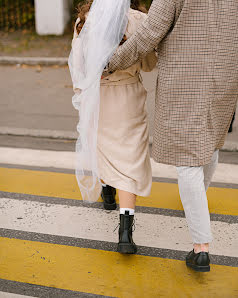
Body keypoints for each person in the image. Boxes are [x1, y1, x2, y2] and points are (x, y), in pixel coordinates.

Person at [108, 0, 238, 271]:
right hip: (224, 77)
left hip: (185, 81)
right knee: (210, 144)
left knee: (188, 160)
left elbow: (148, 35)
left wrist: (112, 61)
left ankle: (201, 247)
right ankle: (196, 201)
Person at [72, 0, 157, 254]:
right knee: (129, 159)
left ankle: (107, 194)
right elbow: (149, 63)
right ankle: (125, 234)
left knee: (104, 147)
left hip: (99, 96)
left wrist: (83, 92)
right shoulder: (139, 20)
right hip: (128, 96)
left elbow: (78, 65)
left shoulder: (84, 19)